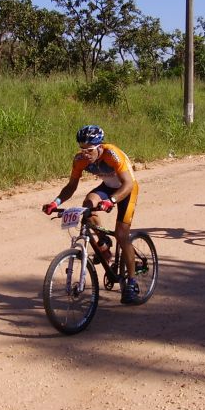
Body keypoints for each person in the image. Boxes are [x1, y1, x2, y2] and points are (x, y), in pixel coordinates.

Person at [42, 125, 140, 305]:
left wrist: (111, 200)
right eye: (82, 149)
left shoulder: (112, 154)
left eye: (89, 150)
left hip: (126, 189)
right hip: (107, 187)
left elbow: (127, 184)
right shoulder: (80, 160)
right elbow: (71, 186)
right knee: (87, 207)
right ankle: (103, 242)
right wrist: (55, 203)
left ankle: (132, 283)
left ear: (100, 146)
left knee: (121, 234)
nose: (85, 153)